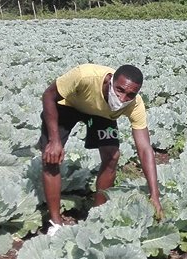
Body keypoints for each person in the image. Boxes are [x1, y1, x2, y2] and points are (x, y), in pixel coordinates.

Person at [39, 63, 163, 233]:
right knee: (51, 156)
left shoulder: (134, 105)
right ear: (109, 81)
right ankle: (56, 223)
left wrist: (154, 195)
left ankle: (96, 216)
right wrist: (54, 140)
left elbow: (144, 148)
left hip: (101, 114)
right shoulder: (84, 76)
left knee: (112, 156)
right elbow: (48, 95)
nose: (122, 98)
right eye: (119, 90)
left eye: (130, 95)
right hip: (67, 106)